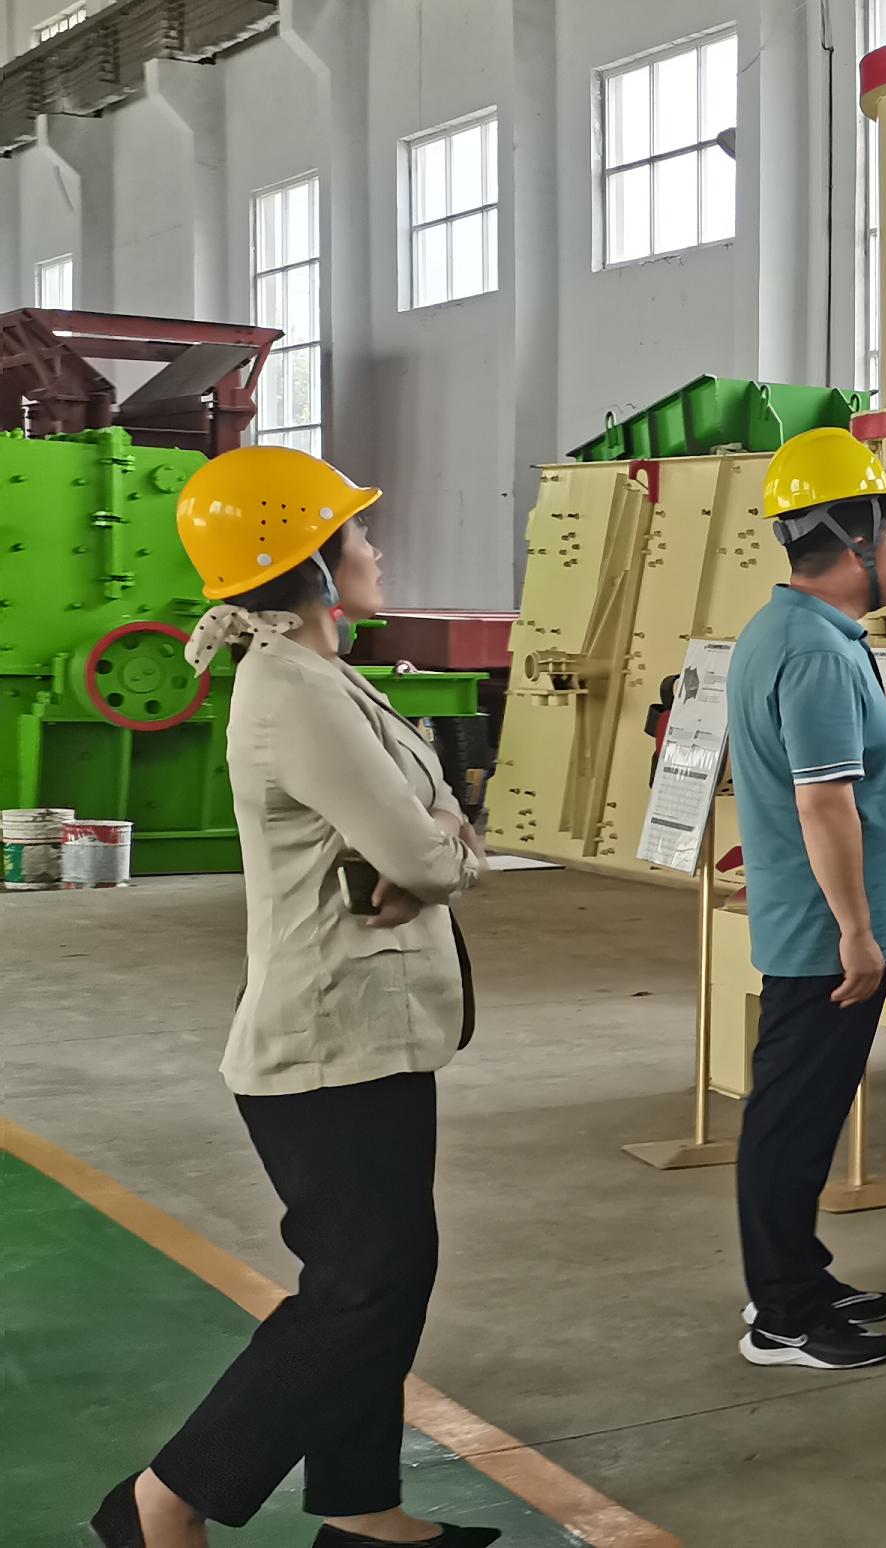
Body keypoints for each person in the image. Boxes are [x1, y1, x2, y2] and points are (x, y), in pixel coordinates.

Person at [94, 448, 494, 1548]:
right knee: (364, 1284)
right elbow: (426, 853)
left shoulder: (321, 673)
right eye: (357, 534)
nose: (375, 547)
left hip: (371, 1033)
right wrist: (445, 847)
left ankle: (363, 1510)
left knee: (383, 1275)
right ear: (310, 562)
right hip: (328, 1043)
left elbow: (421, 843)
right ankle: (162, 1500)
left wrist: (432, 845)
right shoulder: (294, 691)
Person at [725, 427, 886, 1372]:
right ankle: (783, 1317)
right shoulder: (815, 653)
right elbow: (823, 801)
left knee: (802, 1115)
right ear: (854, 541)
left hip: (817, 926)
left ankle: (797, 1275)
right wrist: (856, 929)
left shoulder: (790, 634)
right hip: (823, 934)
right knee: (794, 1123)